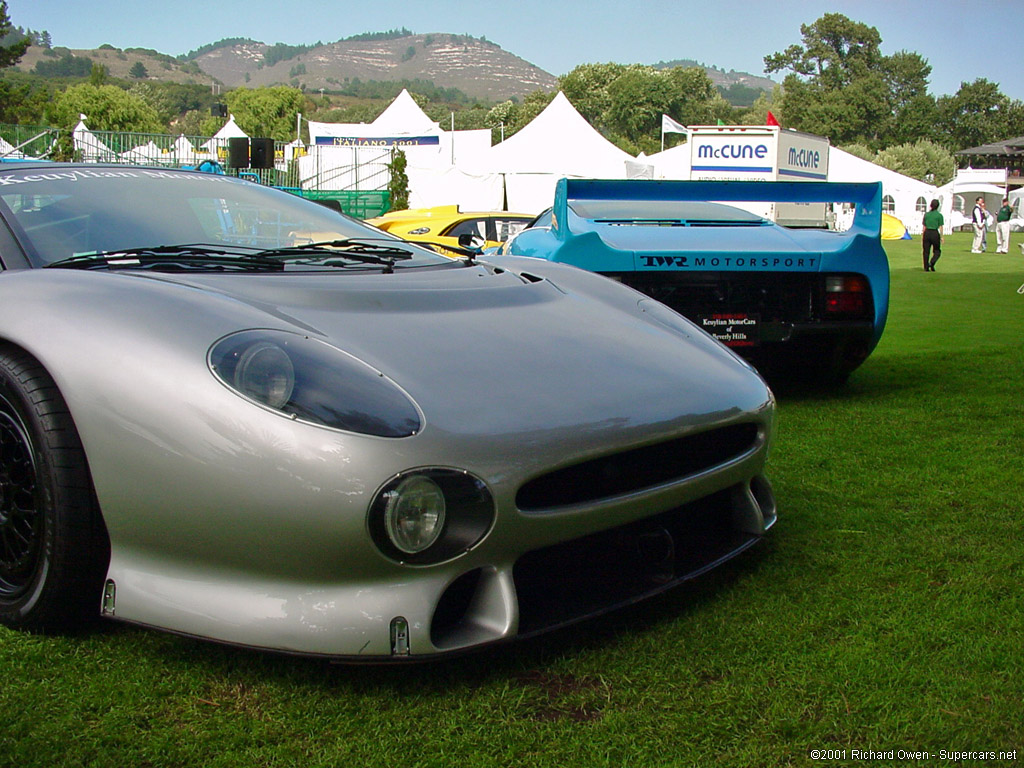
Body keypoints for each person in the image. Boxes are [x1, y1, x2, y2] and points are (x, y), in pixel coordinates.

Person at [922, 199, 944, 271]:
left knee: (926, 251)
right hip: (934, 233)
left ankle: (926, 267)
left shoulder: (927, 214)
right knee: (937, 251)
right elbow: (940, 227)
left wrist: (923, 235)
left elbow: (924, 226)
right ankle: (932, 262)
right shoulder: (939, 215)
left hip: (927, 233)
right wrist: (941, 237)